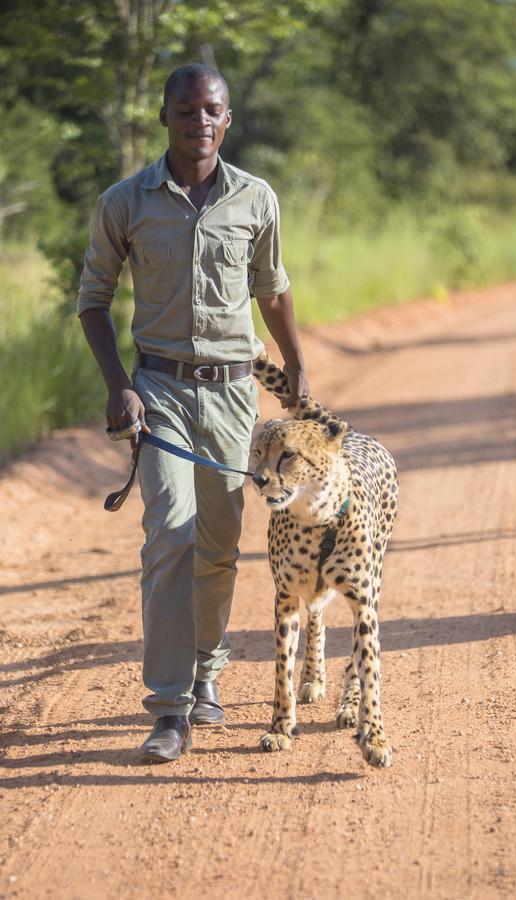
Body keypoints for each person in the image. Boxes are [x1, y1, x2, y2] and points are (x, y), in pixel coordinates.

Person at [78, 63, 309, 763]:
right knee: (170, 531)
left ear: (227, 119)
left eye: (211, 110)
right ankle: (169, 706)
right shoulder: (126, 202)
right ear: (165, 116)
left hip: (235, 395)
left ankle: (210, 672)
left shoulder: (256, 199)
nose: (198, 121)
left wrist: (294, 363)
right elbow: (93, 301)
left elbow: (272, 289)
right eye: (186, 109)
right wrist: (121, 385)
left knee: (218, 543)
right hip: (162, 392)